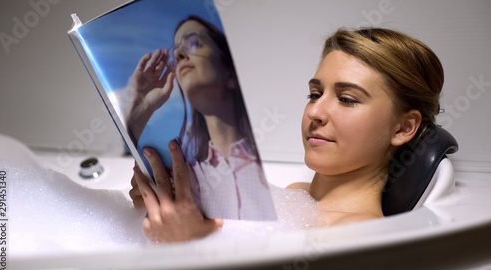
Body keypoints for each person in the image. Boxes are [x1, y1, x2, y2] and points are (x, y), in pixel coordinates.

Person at [130, 27, 444, 243]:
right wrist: (169, 205)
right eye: (314, 94)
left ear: (403, 128)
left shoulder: (358, 232)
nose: (315, 112)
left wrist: (188, 247)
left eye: (347, 99)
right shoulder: (296, 195)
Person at [126, 15, 276, 225]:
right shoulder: (186, 178)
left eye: (194, 43)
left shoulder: (266, 167)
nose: (178, 54)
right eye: (177, 52)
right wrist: (141, 109)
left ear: (231, 74)